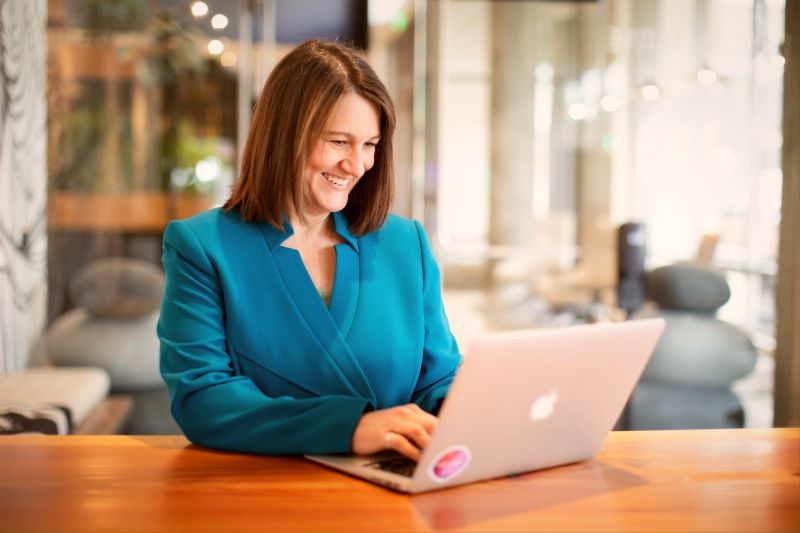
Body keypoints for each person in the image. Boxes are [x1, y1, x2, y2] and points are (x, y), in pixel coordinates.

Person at [157, 39, 462, 461]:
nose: (356, 165)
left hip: (394, 491)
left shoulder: (405, 244)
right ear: (285, 136)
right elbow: (203, 400)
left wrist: (466, 414)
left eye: (370, 145)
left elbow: (438, 380)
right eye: (339, 142)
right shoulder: (204, 247)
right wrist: (350, 428)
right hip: (266, 495)